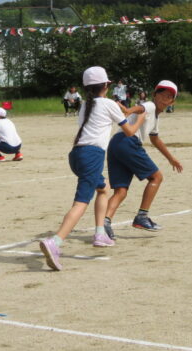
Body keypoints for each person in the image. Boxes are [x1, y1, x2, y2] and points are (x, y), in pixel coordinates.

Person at [39, 66, 145, 271]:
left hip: (76, 154)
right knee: (81, 203)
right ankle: (56, 242)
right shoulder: (107, 103)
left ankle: (100, 234)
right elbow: (130, 131)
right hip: (92, 155)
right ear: (106, 85)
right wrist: (142, 115)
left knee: (103, 189)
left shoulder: (86, 104)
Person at [103, 80, 183, 239]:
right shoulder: (151, 106)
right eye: (160, 94)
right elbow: (140, 109)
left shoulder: (156, 118)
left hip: (115, 144)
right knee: (157, 177)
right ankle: (142, 217)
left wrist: (171, 159)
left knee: (121, 191)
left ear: (172, 101)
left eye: (168, 96)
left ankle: (104, 224)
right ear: (154, 95)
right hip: (128, 142)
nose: (163, 98)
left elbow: (155, 140)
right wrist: (128, 110)